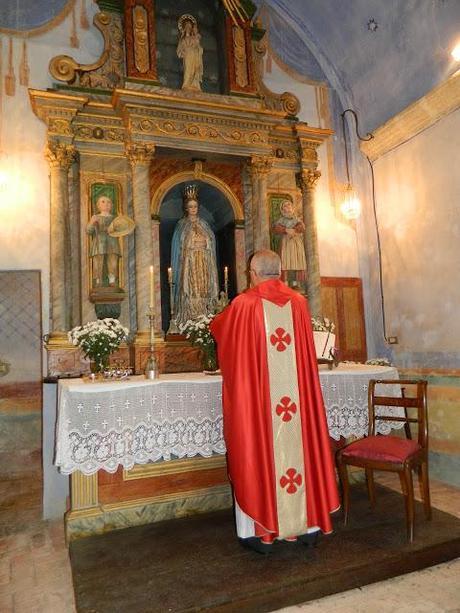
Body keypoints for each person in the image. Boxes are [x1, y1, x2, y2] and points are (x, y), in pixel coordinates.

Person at [210, 249, 339, 553]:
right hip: (297, 403)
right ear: (280, 272)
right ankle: (308, 528)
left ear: (253, 274)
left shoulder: (243, 305)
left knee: (258, 447)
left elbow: (220, 332)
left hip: (260, 404)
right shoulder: (300, 303)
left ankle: (259, 534)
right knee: (300, 445)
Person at [171, 185, 219, 328]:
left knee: (204, 288)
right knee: (191, 289)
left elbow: (211, 239)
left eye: (195, 206)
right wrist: (192, 242)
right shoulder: (182, 224)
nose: (193, 209)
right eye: (190, 206)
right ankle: (190, 318)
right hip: (189, 263)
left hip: (204, 262)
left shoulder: (204, 224)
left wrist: (206, 242)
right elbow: (179, 244)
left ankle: (205, 315)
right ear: (186, 208)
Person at [87, 195, 121, 288]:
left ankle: (112, 280)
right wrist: (92, 223)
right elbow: (89, 231)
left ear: (112, 205)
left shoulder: (115, 218)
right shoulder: (95, 217)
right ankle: (98, 280)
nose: (106, 204)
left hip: (112, 242)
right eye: (103, 201)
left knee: (113, 262)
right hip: (99, 242)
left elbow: (119, 230)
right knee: (98, 262)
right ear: (98, 205)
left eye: (108, 202)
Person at [272, 200, 307, 282]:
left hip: (296, 244)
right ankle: (286, 282)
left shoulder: (297, 219)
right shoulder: (281, 220)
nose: (288, 207)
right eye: (285, 206)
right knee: (286, 263)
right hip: (286, 244)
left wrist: (295, 229)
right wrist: (285, 230)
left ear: (292, 208)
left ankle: (296, 283)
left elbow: (302, 227)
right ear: (282, 209)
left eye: (289, 205)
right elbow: (275, 228)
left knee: (297, 262)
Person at [177, 14, 203, 91]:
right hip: (187, 55)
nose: (188, 28)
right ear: (184, 28)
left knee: (195, 69)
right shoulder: (182, 39)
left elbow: (199, 48)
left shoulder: (194, 37)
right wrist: (183, 51)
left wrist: (197, 48)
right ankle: (187, 84)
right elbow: (179, 50)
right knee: (188, 69)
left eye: (189, 26)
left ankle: (195, 85)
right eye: (187, 26)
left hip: (194, 55)